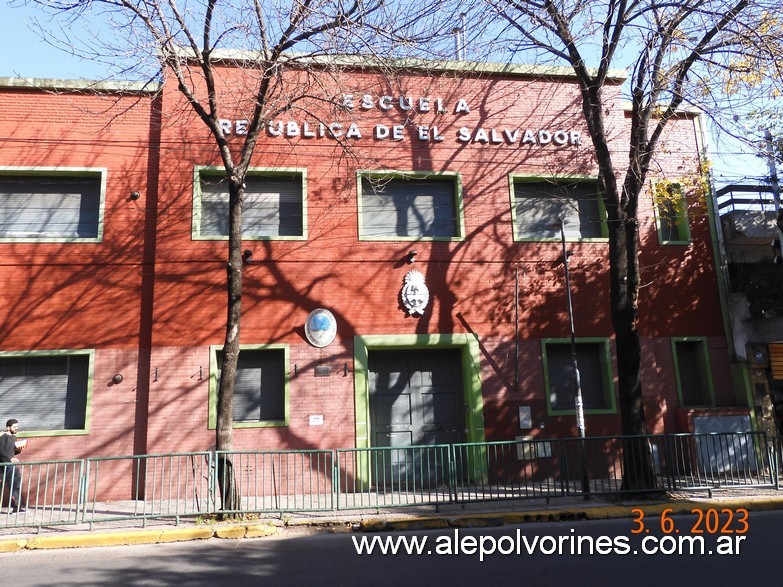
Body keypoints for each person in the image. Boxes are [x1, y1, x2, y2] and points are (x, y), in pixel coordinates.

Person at [0, 418, 26, 513]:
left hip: (11, 465)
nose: (16, 428)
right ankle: (16, 508)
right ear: (8, 427)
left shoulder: (14, 438)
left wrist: (19, 450)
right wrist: (9, 459)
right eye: (14, 427)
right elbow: (1, 452)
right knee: (13, 485)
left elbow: (13, 451)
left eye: (17, 427)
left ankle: (17, 508)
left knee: (16, 485)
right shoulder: (3, 438)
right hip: (5, 466)